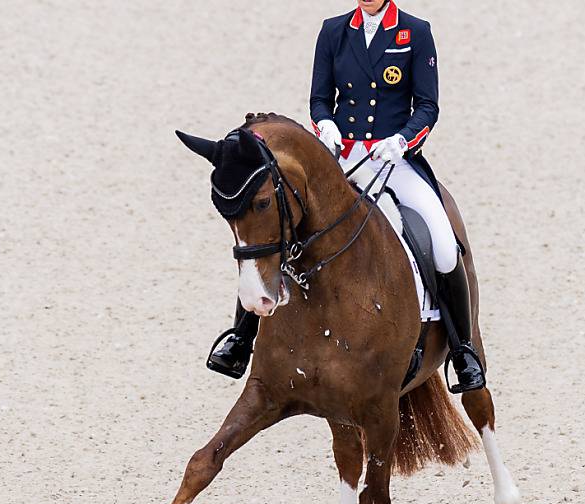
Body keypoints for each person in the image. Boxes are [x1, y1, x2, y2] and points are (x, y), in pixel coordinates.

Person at [206, 0, 486, 394]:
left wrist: (402, 140)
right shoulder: (334, 30)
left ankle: (462, 351)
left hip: (395, 159)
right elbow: (321, 97)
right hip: (341, 158)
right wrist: (325, 124)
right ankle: (242, 336)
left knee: (442, 243)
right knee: (280, 226)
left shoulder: (415, 32)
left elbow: (427, 106)